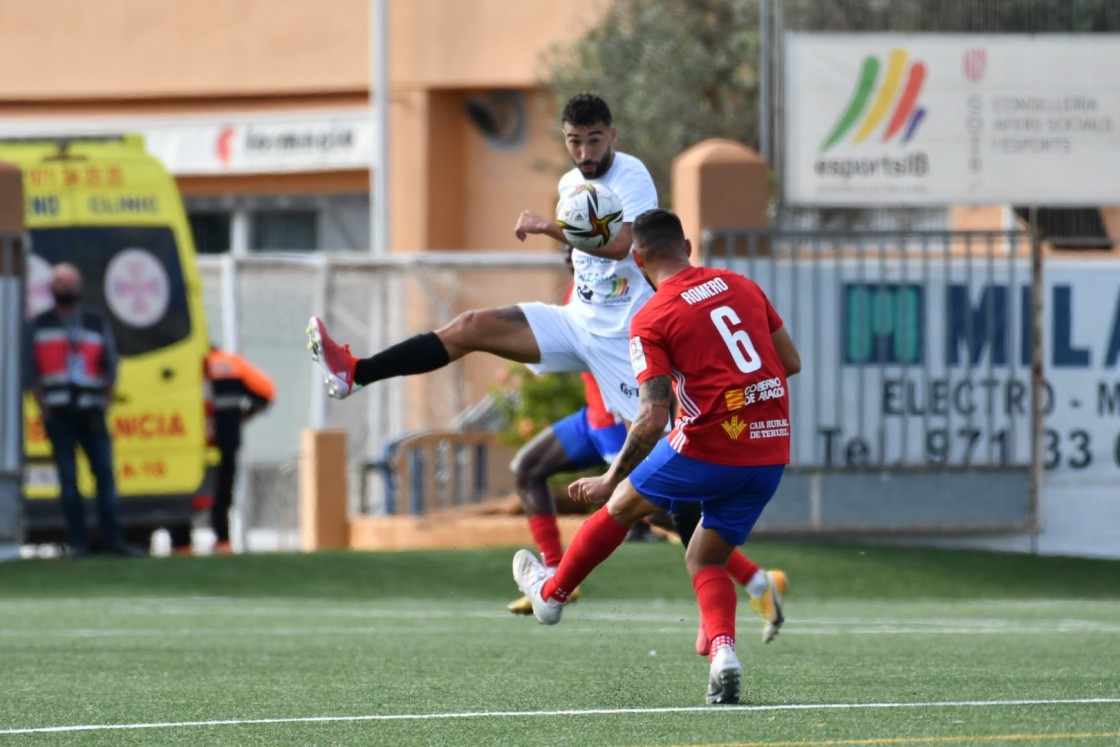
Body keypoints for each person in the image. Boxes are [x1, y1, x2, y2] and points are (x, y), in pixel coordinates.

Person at [511, 208, 802, 705]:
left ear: (638, 260)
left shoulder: (651, 316)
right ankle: (724, 654)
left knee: (621, 504)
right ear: (687, 246)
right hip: (770, 449)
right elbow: (789, 363)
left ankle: (553, 595)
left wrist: (609, 477)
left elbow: (650, 418)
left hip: (709, 444)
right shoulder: (741, 285)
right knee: (704, 555)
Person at [22, 263, 144, 557]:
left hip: (91, 411)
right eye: (60, 284)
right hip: (59, 412)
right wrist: (43, 406)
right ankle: (79, 543)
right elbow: (30, 369)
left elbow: (111, 363)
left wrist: (104, 399)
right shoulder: (40, 324)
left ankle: (113, 540)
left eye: (69, 283)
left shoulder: (94, 322)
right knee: (67, 477)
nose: (65, 289)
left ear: (79, 287)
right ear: (52, 290)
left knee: (104, 475)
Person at [201, 344, 275, 555]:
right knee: (222, 491)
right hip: (226, 440)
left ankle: (181, 544)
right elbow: (266, 390)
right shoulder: (231, 364)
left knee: (183, 492)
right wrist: (246, 413)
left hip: (191, 443)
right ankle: (223, 542)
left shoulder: (186, 363)